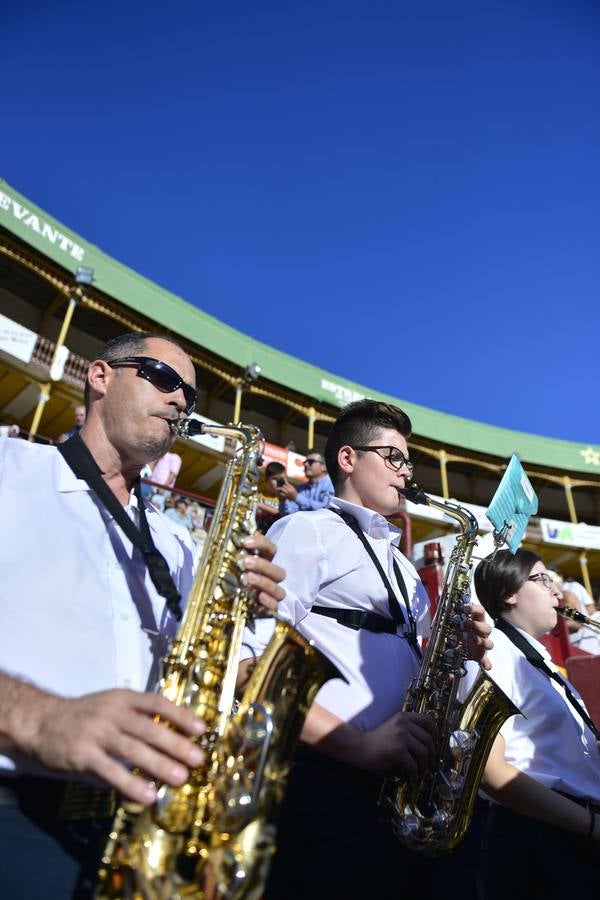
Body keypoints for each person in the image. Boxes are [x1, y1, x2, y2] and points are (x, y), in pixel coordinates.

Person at [0, 332, 285, 900]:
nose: (181, 399)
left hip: (138, 831)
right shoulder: (9, 469)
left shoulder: (184, 546)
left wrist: (243, 652)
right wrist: (36, 717)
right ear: (101, 376)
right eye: (163, 377)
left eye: (191, 395)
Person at [238, 399, 492, 900]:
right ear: (348, 460)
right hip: (325, 774)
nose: (406, 471)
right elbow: (253, 663)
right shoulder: (307, 530)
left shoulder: (401, 566)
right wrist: (358, 746)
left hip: (396, 788)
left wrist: (460, 649)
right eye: (393, 457)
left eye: (408, 460)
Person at [470, 549, 600, 899]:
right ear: (507, 593)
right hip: (541, 840)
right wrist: (590, 826)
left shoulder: (546, 667)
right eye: (543, 580)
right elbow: (489, 770)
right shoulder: (493, 652)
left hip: (569, 834)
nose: (558, 593)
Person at [275, 448, 334, 515]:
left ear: (324, 467)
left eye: (310, 462)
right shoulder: (301, 489)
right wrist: (282, 500)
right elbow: (289, 515)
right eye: (305, 462)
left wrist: (296, 497)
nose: (306, 464)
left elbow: (326, 510)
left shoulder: (332, 485)